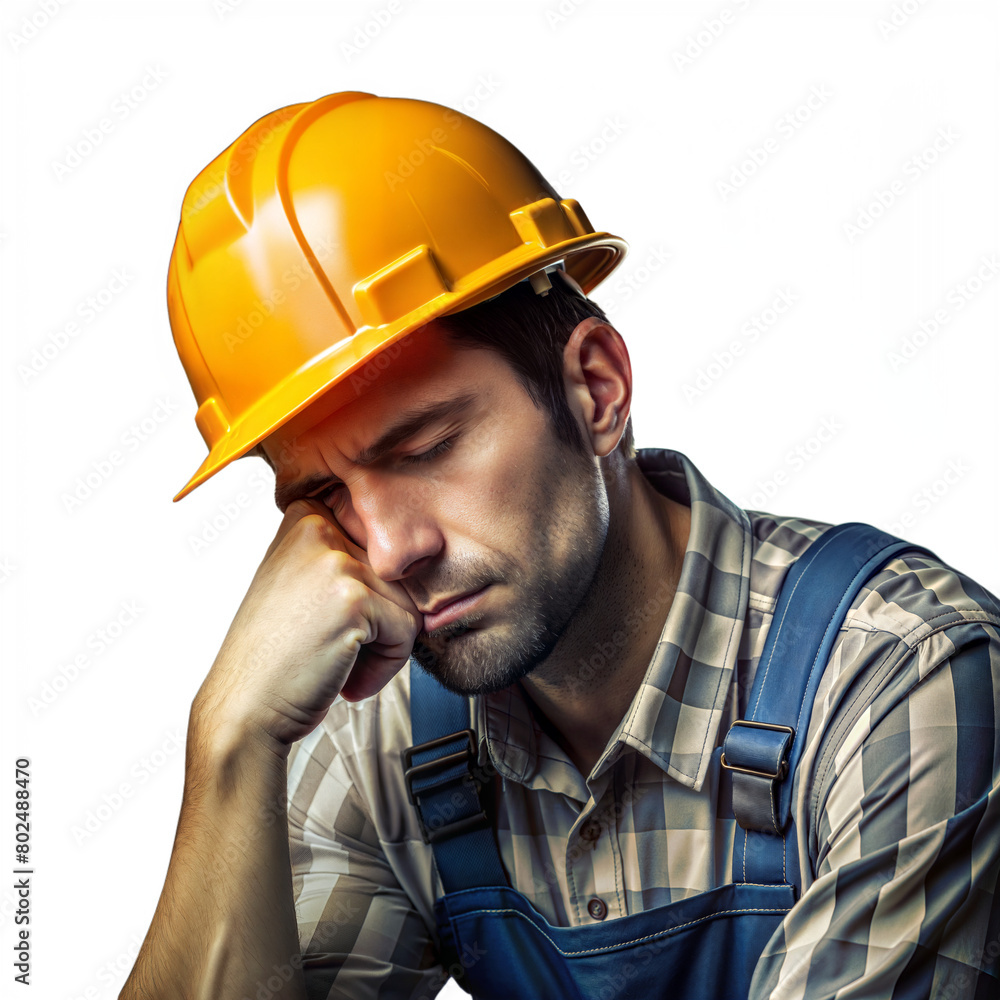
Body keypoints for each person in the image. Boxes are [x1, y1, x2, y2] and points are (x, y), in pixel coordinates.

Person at [122, 92, 1000, 1000]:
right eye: (321, 495)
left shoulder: (902, 678)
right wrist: (229, 739)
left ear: (596, 387)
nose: (386, 552)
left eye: (425, 449)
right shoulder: (382, 743)